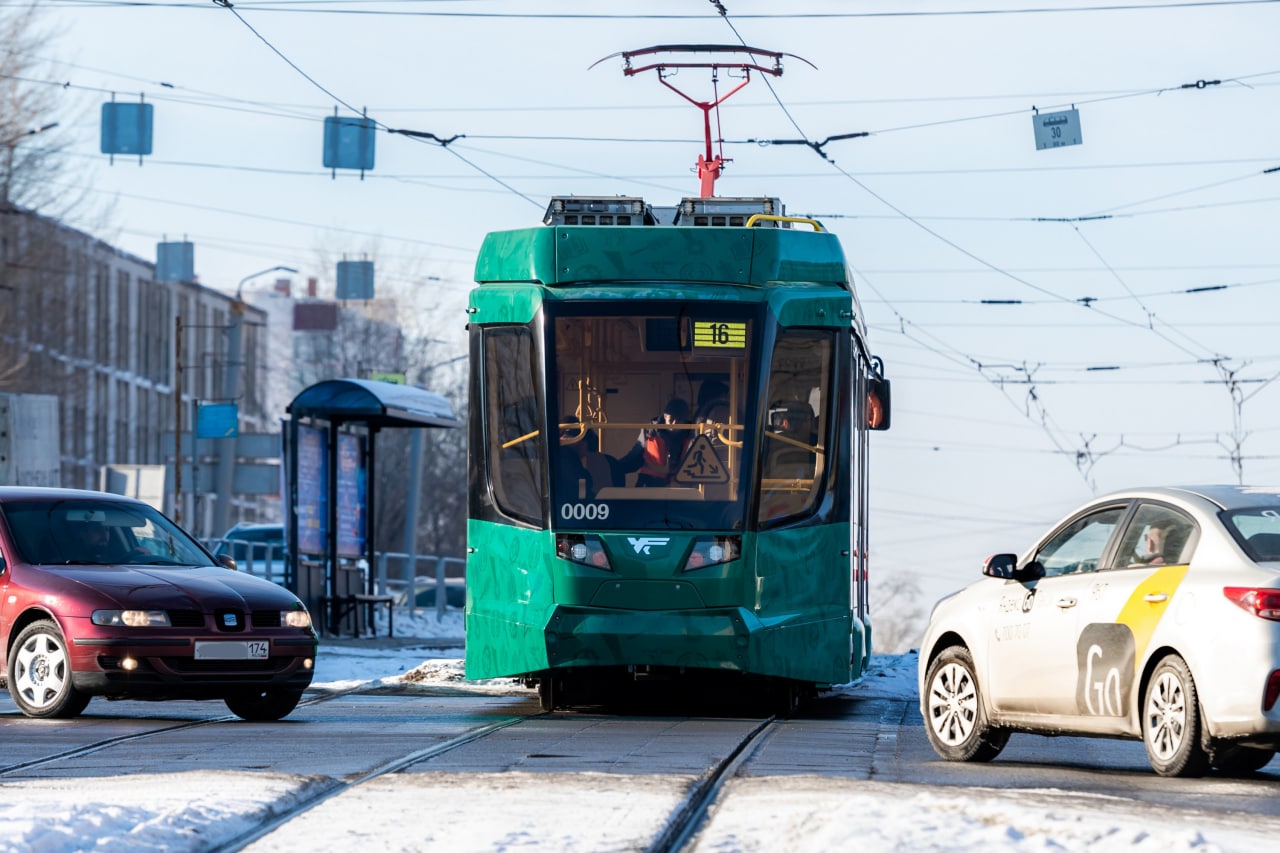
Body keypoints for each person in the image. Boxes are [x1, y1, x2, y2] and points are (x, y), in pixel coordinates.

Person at [619, 396, 691, 486]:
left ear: (685, 421)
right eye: (671, 419)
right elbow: (634, 458)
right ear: (665, 416)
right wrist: (613, 467)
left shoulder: (691, 435)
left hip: (678, 490)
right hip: (650, 486)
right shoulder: (650, 432)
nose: (674, 424)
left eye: (679, 420)